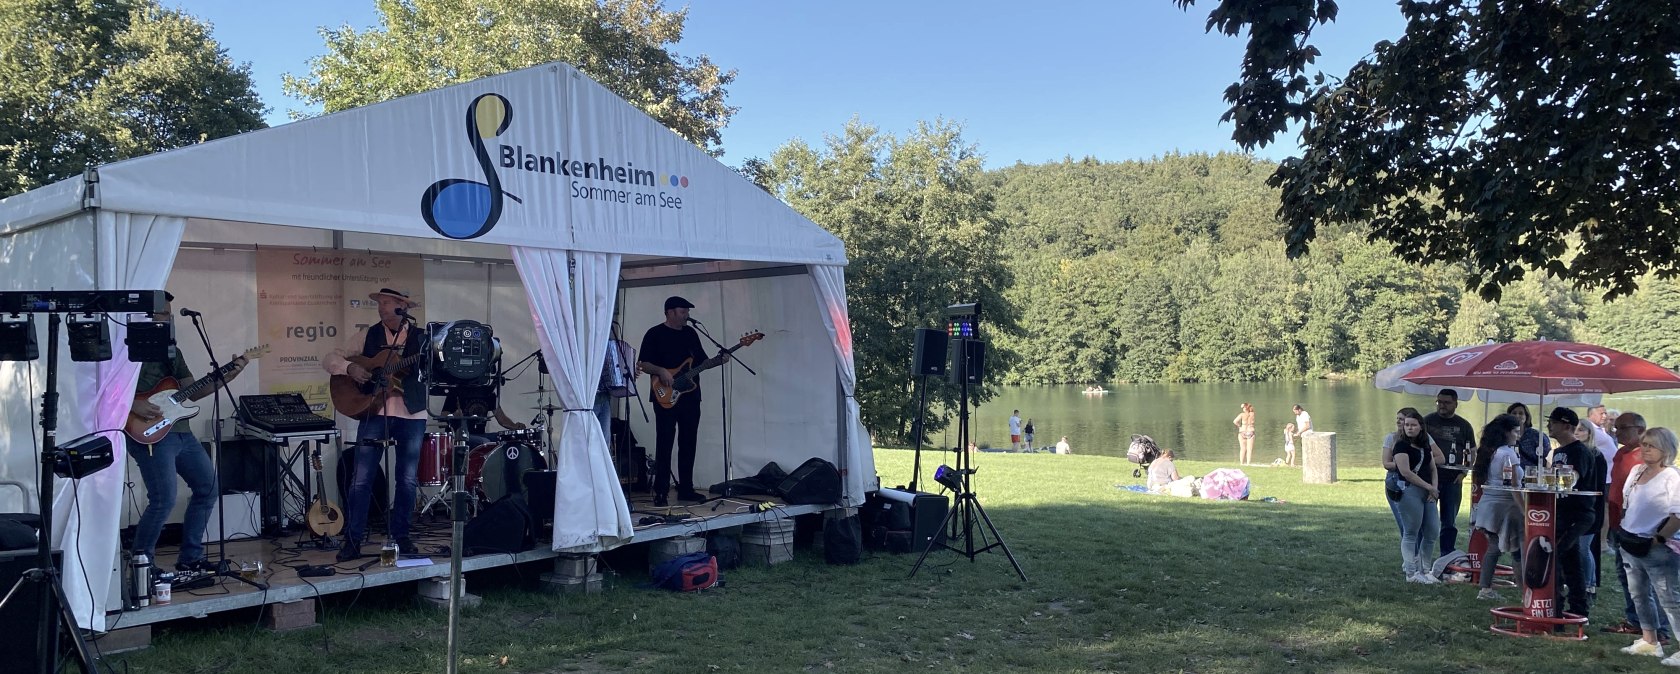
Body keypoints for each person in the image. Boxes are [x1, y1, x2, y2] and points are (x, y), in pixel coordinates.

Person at [128, 293, 249, 571]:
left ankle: (191, 559)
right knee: (163, 499)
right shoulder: (127, 351)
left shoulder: (172, 352)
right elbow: (102, 392)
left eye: (169, 315)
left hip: (181, 431)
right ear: (145, 317)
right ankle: (142, 564)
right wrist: (133, 404)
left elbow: (193, 391)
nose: (168, 320)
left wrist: (229, 375)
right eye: (162, 315)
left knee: (207, 489)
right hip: (149, 435)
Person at [324, 288, 427, 562]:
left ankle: (402, 536)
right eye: (379, 303)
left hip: (411, 413)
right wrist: (350, 368)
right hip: (373, 412)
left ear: (402, 306)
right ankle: (353, 540)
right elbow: (330, 358)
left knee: (406, 480)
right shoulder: (367, 335)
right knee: (360, 479)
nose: (381, 308)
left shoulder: (422, 338)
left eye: (387, 303)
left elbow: (434, 372)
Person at [637, 296, 726, 507]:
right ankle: (661, 492)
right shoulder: (655, 333)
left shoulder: (691, 333)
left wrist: (719, 360)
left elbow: (702, 362)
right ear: (670, 312)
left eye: (687, 311)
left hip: (691, 397)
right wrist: (661, 371)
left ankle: (686, 488)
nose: (687, 315)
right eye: (682, 311)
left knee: (688, 442)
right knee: (665, 443)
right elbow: (643, 363)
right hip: (664, 395)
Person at [1612, 427, 1680, 664]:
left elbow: (1677, 514)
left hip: (1656, 547)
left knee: (1669, 598)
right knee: (1638, 594)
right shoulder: (1636, 471)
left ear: (1666, 449)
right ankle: (1649, 640)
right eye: (1644, 444)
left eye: (1651, 445)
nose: (1645, 449)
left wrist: (1658, 539)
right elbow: (1627, 501)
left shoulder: (1672, 477)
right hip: (1630, 541)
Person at [1604, 412, 1671, 638]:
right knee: (1629, 579)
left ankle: (1658, 628)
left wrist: (1658, 536)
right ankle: (1640, 624)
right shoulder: (1623, 455)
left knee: (1652, 583)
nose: (1617, 431)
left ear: (1640, 429)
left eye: (1623, 427)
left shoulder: (1650, 463)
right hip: (1621, 526)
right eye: (1616, 427)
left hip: (1643, 532)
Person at [1547, 406, 1606, 621]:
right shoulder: (1558, 451)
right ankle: (1579, 608)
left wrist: (1549, 480)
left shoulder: (1579, 451)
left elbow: (1571, 479)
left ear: (1566, 426)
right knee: (1572, 562)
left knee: (1555, 555)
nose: (1549, 426)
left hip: (1578, 513)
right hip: (1562, 512)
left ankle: (1556, 604)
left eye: (1553, 422)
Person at [1470, 414, 1525, 600]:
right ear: (1506, 433)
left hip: (1488, 503)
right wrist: (1525, 510)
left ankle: (1485, 588)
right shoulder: (1508, 453)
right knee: (1515, 547)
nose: (1518, 435)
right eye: (1516, 432)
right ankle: (1524, 587)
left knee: (1494, 547)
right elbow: (1514, 486)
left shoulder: (1488, 451)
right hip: (1506, 505)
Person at [1423, 388, 1476, 557]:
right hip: (1429, 479)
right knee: (1425, 518)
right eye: (1439, 401)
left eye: (1446, 402)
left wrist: (1463, 473)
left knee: (1449, 520)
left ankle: (1446, 554)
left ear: (1456, 404)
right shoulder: (1427, 421)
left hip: (1453, 480)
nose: (1442, 405)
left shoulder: (1464, 425)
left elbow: (1472, 451)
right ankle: (1422, 554)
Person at [1392, 408, 1441, 583]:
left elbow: (1433, 468)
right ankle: (1411, 573)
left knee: (1432, 531)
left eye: (1413, 425)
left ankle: (1425, 570)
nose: (1409, 428)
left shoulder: (1425, 445)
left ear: (1421, 427)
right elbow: (1406, 472)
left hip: (1428, 492)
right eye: (1407, 425)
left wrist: (1434, 489)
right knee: (1411, 531)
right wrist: (1429, 487)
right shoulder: (1400, 445)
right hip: (1409, 490)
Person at [1506, 402, 1550, 467]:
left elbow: (1547, 460)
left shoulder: (1538, 436)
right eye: (1514, 413)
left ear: (1526, 416)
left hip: (1532, 474)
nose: (1517, 416)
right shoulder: (1503, 435)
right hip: (1509, 474)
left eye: (1521, 413)